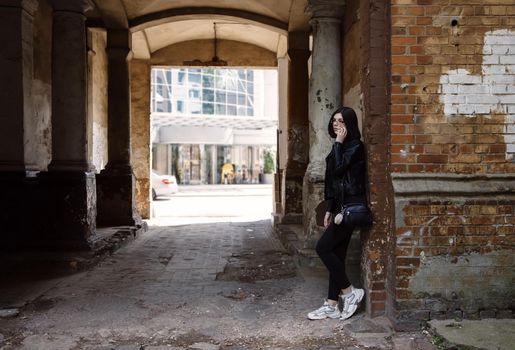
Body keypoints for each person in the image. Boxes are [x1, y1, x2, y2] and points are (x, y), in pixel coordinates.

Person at [307, 106, 367, 321]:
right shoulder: (339, 147)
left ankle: (350, 293)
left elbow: (340, 169)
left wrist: (339, 144)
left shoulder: (355, 147)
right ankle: (332, 305)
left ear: (349, 124)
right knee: (337, 256)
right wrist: (330, 209)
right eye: (334, 120)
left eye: (340, 121)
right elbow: (332, 181)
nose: (336, 124)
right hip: (340, 208)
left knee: (322, 248)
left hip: (351, 208)